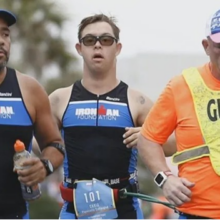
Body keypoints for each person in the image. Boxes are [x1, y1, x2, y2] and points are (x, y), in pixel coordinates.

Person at [33, 13, 176, 220]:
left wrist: (146, 137)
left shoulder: (137, 101)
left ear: (117, 48)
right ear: (79, 48)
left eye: (106, 40)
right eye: (90, 40)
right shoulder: (59, 99)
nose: (98, 46)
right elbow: (39, 147)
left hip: (125, 209)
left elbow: (174, 144)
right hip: (74, 210)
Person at [137, 8, 220, 220]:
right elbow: (148, 139)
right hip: (198, 212)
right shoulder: (182, 85)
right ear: (206, 46)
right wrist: (164, 179)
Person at [0, 9, 65, 220]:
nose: (2, 41)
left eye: (5, 34)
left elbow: (56, 145)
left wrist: (44, 166)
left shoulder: (29, 90)